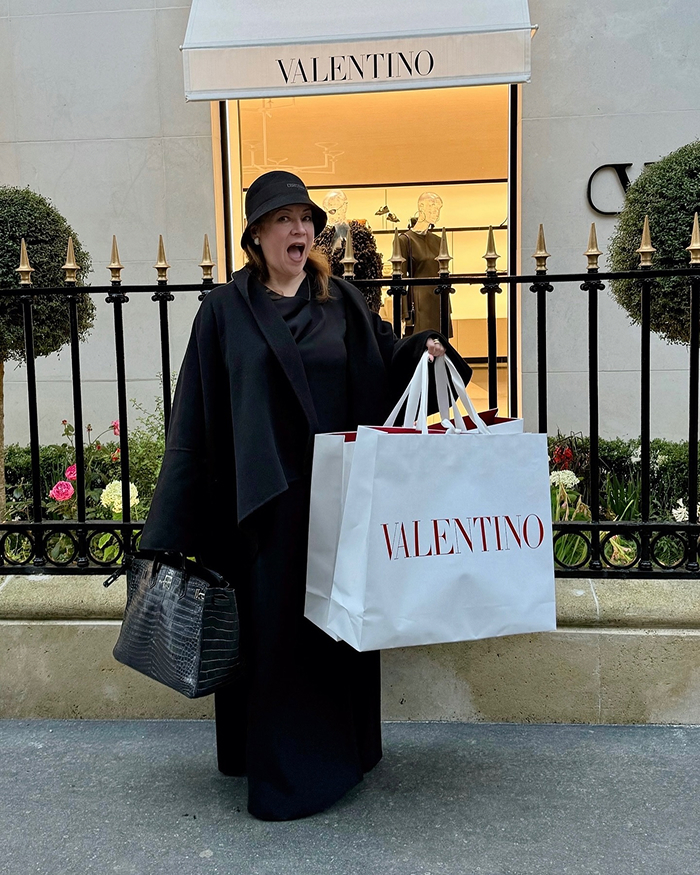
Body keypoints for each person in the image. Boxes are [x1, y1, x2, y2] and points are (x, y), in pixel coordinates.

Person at [139, 170, 472, 822]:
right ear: (256, 235)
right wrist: (174, 522)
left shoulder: (339, 299)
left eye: (306, 219)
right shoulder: (223, 311)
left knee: (337, 630)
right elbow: (196, 414)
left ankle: (346, 753)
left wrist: (424, 352)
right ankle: (287, 777)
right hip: (266, 507)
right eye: (284, 219)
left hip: (339, 496)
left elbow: (386, 357)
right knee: (277, 641)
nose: (300, 230)